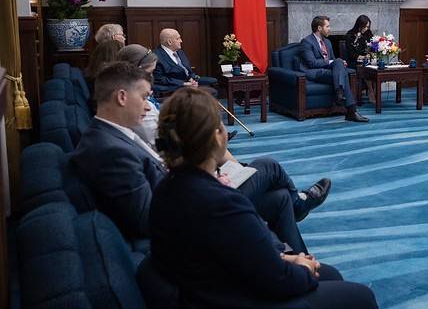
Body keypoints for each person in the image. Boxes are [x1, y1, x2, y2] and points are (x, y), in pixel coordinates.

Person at [150, 87, 378, 309]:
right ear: (216, 137)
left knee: (330, 273)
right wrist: (303, 269)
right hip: (236, 298)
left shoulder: (166, 189)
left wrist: (288, 259)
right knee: (362, 296)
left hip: (206, 289)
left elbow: (236, 253)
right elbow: (279, 281)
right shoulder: (222, 203)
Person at [69, 62, 330, 252]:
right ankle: (298, 212)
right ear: (122, 97)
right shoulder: (110, 150)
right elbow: (147, 219)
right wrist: (201, 183)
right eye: (145, 97)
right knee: (268, 165)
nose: (148, 105)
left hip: (191, 195)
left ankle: (297, 259)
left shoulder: (111, 136)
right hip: (193, 215)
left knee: (279, 198)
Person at [299, 16, 368, 122]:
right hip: (314, 72)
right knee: (342, 72)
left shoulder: (328, 42)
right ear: (319, 28)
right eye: (327, 26)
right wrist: (333, 62)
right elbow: (312, 63)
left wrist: (339, 63)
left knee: (339, 63)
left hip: (328, 71)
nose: (329, 29)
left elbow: (333, 60)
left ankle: (340, 94)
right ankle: (350, 110)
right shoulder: (307, 42)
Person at [153, 28, 217, 95]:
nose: (181, 41)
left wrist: (192, 78)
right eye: (178, 38)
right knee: (211, 92)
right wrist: (183, 84)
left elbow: (188, 69)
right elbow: (159, 79)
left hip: (189, 81)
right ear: (169, 42)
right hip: (174, 86)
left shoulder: (180, 52)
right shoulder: (156, 56)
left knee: (212, 81)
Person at [345, 15, 376, 103]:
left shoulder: (368, 33)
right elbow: (351, 54)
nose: (366, 29)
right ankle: (371, 91)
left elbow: (372, 47)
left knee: (375, 68)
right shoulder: (350, 35)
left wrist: (372, 54)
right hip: (354, 61)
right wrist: (363, 57)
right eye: (365, 26)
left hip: (367, 60)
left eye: (368, 27)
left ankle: (373, 91)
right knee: (366, 69)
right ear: (359, 25)